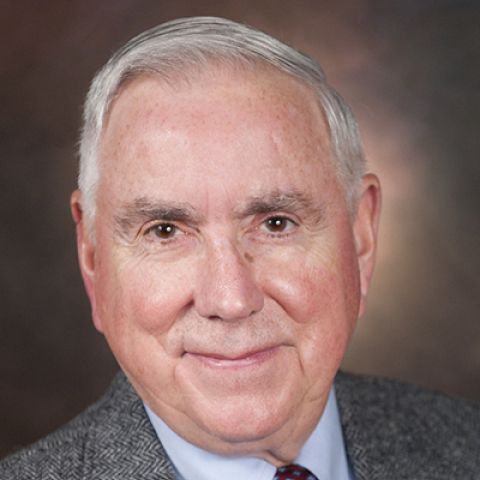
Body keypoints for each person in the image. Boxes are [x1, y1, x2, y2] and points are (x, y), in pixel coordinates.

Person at [1, 16, 479, 480]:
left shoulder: (465, 446)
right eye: (165, 231)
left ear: (361, 238)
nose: (230, 300)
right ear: (92, 256)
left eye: (276, 223)